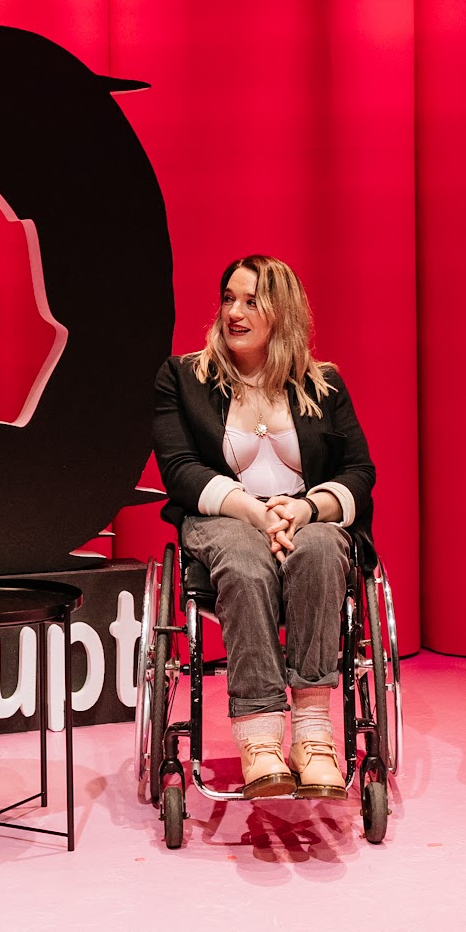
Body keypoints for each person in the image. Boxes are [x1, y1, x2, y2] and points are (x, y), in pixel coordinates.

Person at [150, 255, 376, 801]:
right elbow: (179, 470)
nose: (235, 311)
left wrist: (305, 510)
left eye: (251, 301)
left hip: (305, 517)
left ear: (283, 310)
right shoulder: (183, 376)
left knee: (323, 550)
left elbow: (359, 471)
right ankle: (258, 737)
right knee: (246, 562)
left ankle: (313, 733)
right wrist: (256, 511)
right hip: (222, 519)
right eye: (229, 298)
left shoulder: (323, 383)